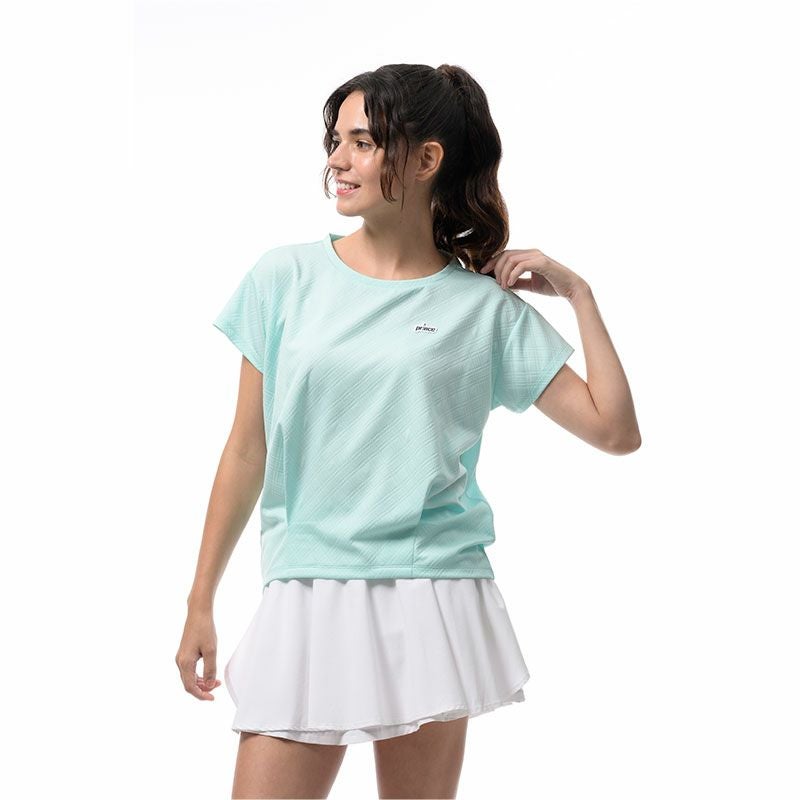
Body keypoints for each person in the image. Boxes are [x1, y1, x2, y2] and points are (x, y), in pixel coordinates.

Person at [175, 62, 641, 799]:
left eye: (362, 142)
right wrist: (201, 599)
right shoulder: (282, 278)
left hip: (432, 592)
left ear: (426, 160)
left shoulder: (482, 311)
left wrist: (580, 295)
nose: (337, 159)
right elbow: (246, 449)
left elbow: (615, 431)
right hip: (308, 582)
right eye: (335, 141)